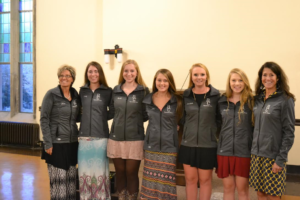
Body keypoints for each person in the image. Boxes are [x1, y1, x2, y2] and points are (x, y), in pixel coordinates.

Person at [249, 62, 295, 200]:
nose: (267, 78)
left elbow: (289, 132)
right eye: (264, 75)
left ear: (278, 78)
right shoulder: (257, 99)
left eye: (271, 75)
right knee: (260, 193)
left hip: (273, 157)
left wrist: (280, 160)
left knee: (273, 195)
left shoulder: (285, 100)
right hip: (257, 155)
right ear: (260, 77)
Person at [107, 59, 149, 200]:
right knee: (120, 172)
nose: (129, 73)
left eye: (132, 71)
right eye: (126, 71)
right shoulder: (116, 90)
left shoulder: (143, 91)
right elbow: (112, 111)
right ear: (122, 73)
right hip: (116, 138)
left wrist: (134, 124)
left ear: (136, 72)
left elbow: (145, 115)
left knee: (131, 172)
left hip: (135, 139)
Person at [178, 63, 220, 200]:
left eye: (202, 74)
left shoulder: (215, 96)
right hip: (188, 144)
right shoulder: (186, 95)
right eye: (196, 74)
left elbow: (219, 120)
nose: (199, 77)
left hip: (207, 145)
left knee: (205, 181)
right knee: (190, 180)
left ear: (207, 76)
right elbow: (183, 118)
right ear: (191, 76)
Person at [140, 69, 182, 200]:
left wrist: (178, 125)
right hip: (151, 146)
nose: (162, 83)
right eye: (159, 80)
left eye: (165, 80)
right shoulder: (147, 99)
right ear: (155, 81)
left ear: (170, 83)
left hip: (169, 147)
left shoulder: (177, 101)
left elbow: (184, 119)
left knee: (167, 182)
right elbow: (142, 117)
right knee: (150, 180)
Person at [40, 65, 80, 200]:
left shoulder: (75, 96)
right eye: (61, 75)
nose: (64, 78)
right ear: (58, 78)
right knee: (59, 183)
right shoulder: (51, 94)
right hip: (55, 144)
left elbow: (77, 117)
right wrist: (47, 142)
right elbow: (44, 118)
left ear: (72, 78)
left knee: (70, 183)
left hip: (72, 143)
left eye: (67, 75)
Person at [216, 68, 254, 200]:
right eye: (233, 80)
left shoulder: (251, 102)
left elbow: (255, 127)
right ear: (229, 82)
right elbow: (217, 124)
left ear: (245, 83)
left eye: (240, 80)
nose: (237, 83)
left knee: (242, 190)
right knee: (228, 189)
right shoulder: (221, 101)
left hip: (243, 151)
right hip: (224, 151)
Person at [78, 61, 112, 200]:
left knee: (100, 172)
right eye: (90, 71)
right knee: (84, 172)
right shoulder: (82, 91)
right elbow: (78, 110)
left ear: (100, 73)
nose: (93, 74)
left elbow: (114, 111)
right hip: (84, 138)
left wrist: (101, 117)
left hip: (101, 137)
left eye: (96, 71)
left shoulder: (107, 91)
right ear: (87, 74)